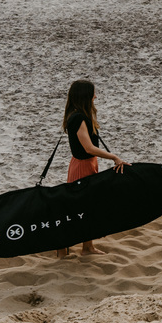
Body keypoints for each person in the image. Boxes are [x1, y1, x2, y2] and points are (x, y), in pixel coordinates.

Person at [57, 79, 127, 258]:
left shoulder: (79, 115)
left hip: (87, 163)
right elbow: (88, 148)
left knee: (87, 207)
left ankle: (87, 247)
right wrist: (114, 157)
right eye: (93, 93)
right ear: (86, 96)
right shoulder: (78, 118)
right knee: (78, 208)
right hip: (82, 165)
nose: (95, 96)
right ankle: (63, 247)